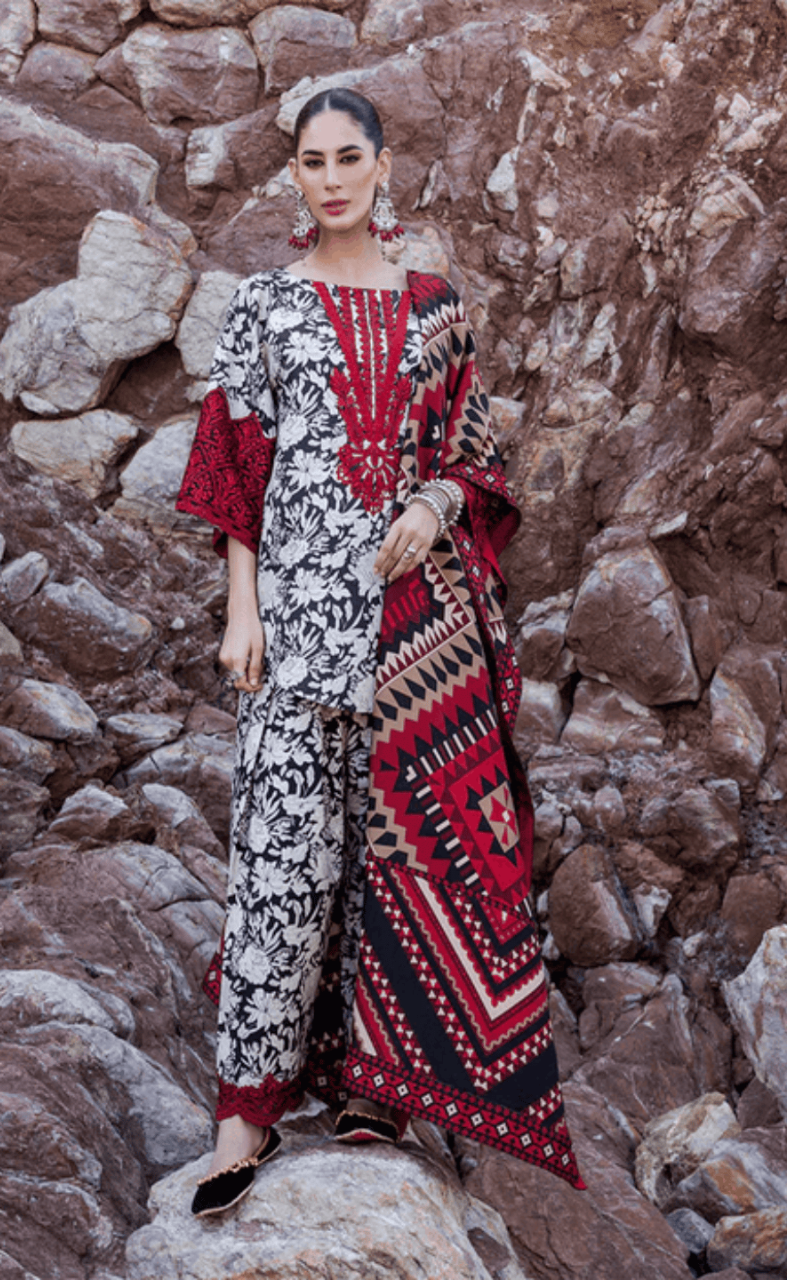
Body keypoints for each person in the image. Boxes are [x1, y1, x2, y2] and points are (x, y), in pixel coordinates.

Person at [175, 88, 584, 1216]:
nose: (334, 176)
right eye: (313, 160)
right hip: (297, 631)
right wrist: (240, 608)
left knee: (394, 866)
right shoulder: (263, 307)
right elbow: (233, 472)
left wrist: (440, 502)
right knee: (278, 862)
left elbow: (478, 460)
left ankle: (376, 1094)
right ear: (295, 179)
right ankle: (242, 1118)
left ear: (383, 166)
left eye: (350, 156)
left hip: (416, 639)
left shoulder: (438, 309)